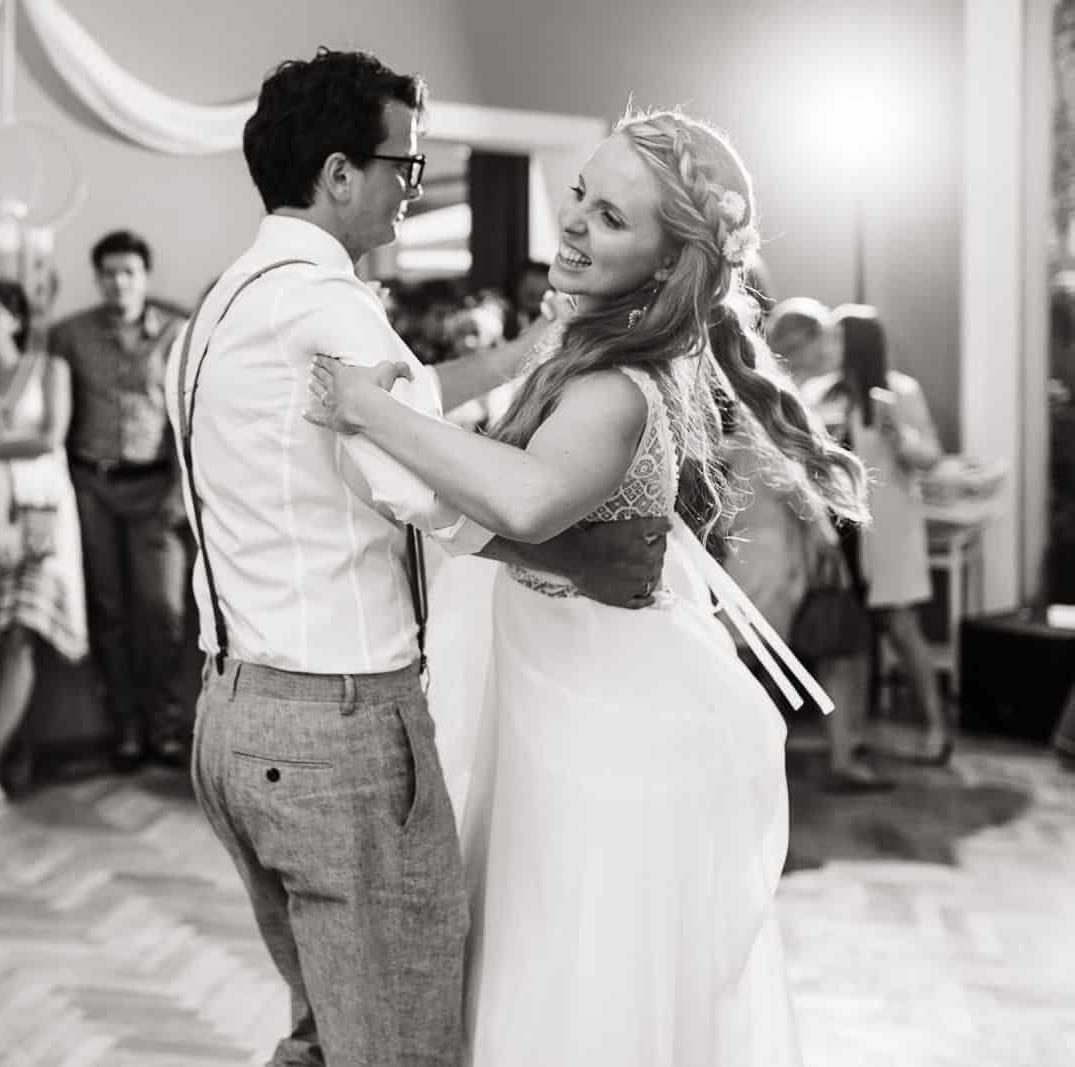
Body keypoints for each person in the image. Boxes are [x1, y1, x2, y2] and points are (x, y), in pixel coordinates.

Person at [305, 108, 867, 1065]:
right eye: (580, 195)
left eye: (611, 217)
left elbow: (522, 500)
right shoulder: (582, 355)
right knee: (539, 961)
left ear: (666, 262)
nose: (573, 221)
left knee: (575, 981)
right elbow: (503, 503)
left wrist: (365, 406)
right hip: (559, 706)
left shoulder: (616, 387)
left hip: (603, 732)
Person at [168, 50, 669, 1067]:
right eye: (405, 163)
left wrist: (525, 351)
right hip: (335, 723)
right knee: (397, 1043)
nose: (413, 182)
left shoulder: (226, 301)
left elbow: (407, 402)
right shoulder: (332, 306)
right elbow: (417, 487)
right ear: (339, 173)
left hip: (234, 713)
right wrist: (572, 557)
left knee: (327, 1030)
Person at [724, 297, 890, 791]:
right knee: (750, 652)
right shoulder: (773, 396)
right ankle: (735, 762)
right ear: (804, 343)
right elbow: (787, 477)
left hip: (768, 538)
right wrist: (824, 538)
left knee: (763, 652)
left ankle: (778, 758)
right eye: (825, 338)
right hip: (767, 543)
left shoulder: (772, 393)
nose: (833, 349)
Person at [49, 230, 192, 772]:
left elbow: (187, 419)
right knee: (107, 612)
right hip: (94, 488)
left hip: (157, 489)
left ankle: (166, 727)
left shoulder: (177, 332)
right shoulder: (70, 335)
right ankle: (125, 730)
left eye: (128, 272)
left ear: (145, 277)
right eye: (109, 273)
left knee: (163, 611)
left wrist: (181, 490)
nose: (118, 283)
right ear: (97, 278)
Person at [0, 280, 86, 806]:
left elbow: (50, 437)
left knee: (24, 631)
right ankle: (16, 751)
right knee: (2, 631)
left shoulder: (49, 369)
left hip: (42, 510)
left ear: (16, 319)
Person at [806, 305, 949, 764]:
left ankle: (936, 727)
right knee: (849, 632)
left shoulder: (900, 392)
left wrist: (895, 430)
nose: (826, 346)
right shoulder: (817, 393)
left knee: (901, 626)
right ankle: (849, 736)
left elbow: (929, 457)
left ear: (857, 344)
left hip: (884, 530)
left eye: (835, 337)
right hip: (837, 532)